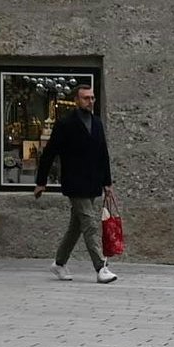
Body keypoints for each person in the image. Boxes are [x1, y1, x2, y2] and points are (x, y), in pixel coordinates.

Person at [34, 83, 118, 283]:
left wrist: (107, 183)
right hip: (74, 182)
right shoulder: (65, 124)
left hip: (92, 183)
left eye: (92, 97)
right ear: (76, 100)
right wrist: (41, 181)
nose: (90, 101)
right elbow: (49, 153)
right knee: (89, 223)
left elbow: (103, 154)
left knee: (76, 227)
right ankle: (101, 267)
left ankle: (59, 263)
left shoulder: (97, 123)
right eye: (86, 98)